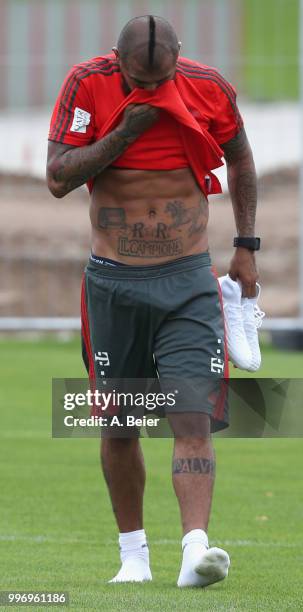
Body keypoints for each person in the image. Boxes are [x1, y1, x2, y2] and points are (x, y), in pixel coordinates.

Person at [47, 15, 259, 588]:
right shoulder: (85, 83)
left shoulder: (208, 86)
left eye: (158, 78)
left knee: (191, 415)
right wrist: (124, 133)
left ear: (178, 57)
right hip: (113, 281)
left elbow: (240, 159)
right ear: (116, 61)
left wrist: (246, 247)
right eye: (137, 79)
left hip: (188, 278)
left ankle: (195, 550)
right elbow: (58, 175)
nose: (149, 89)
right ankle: (133, 556)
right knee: (120, 424)